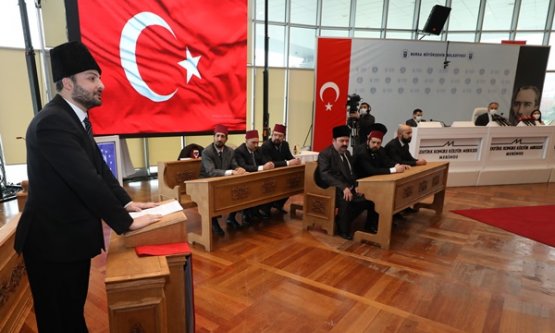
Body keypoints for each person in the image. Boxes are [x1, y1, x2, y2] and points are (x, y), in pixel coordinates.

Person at [14, 41, 161, 333]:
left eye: (99, 78)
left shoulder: (73, 119)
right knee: (60, 321)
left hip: (68, 241)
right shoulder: (53, 122)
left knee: (71, 315)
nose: (101, 85)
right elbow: (85, 180)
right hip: (52, 245)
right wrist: (125, 222)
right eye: (92, 78)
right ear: (68, 83)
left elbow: (100, 170)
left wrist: (126, 203)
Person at [318, 125, 378, 239]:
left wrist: (356, 185)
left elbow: (351, 173)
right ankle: (343, 230)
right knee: (346, 197)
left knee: (370, 199)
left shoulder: (347, 153)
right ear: (334, 141)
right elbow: (325, 175)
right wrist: (344, 187)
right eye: (341, 141)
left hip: (348, 186)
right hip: (333, 188)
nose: (345, 143)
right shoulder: (325, 154)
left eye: (347, 140)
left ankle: (369, 225)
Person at [200, 124, 246, 236]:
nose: (220, 139)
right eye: (218, 136)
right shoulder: (207, 152)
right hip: (206, 182)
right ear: (214, 137)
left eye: (222, 136)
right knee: (214, 196)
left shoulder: (230, 151)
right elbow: (211, 171)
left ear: (226, 139)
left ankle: (231, 217)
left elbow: (234, 164)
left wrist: (239, 168)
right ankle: (214, 222)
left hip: (222, 181)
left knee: (239, 191)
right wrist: (231, 172)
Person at [229, 129, 275, 223]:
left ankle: (256, 211)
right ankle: (247, 213)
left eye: (257, 142)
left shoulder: (258, 149)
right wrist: (262, 168)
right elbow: (244, 167)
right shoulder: (239, 151)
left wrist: (269, 164)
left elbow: (264, 161)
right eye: (253, 142)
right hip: (244, 178)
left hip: (257, 178)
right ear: (246, 141)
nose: (256, 145)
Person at [260, 124, 301, 214]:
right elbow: (270, 164)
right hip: (268, 174)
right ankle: (265, 210)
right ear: (272, 135)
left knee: (290, 186)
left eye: (280, 136)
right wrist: (288, 163)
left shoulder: (285, 144)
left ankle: (278, 205)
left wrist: (295, 160)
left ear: (284, 137)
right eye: (275, 135)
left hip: (281, 174)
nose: (277, 137)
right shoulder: (266, 145)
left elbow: (289, 157)